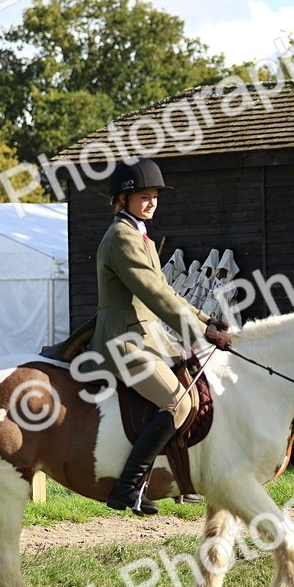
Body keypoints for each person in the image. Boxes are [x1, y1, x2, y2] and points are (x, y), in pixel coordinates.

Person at [91, 158, 232, 515]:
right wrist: (200, 330)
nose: (152, 201)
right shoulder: (122, 238)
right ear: (122, 200)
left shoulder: (141, 236)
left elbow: (167, 290)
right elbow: (155, 294)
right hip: (123, 341)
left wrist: (207, 320)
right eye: (143, 195)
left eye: (154, 195)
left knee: (196, 387)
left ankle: (182, 481)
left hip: (148, 335)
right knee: (179, 402)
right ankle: (127, 487)